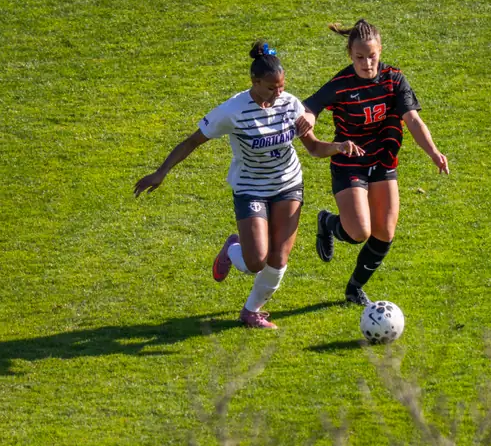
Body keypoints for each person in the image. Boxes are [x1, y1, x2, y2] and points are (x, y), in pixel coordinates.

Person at [134, 41, 365, 329]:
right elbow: (193, 140)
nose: (278, 93)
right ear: (254, 82)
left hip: (287, 184)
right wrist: (161, 172)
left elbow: (315, 148)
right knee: (256, 260)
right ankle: (232, 248)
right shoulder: (232, 111)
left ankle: (251, 311)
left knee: (279, 258)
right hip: (251, 187)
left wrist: (339, 146)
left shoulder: (291, 105)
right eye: (271, 88)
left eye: (281, 86)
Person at [294, 19, 449, 306]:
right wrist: (310, 119)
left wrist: (434, 153)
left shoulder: (394, 79)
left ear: (380, 51)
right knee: (358, 233)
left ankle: (354, 289)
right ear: (349, 55)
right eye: (360, 57)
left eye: (372, 56)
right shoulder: (341, 84)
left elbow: (413, 120)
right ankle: (327, 222)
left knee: (384, 232)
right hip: (349, 161)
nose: (367, 63)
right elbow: (309, 107)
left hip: (382, 160)